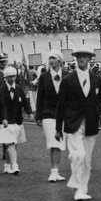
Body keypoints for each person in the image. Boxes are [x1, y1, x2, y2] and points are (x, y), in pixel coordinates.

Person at [55, 48, 101, 201]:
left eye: (85, 57)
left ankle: (82, 189)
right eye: (79, 56)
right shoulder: (67, 80)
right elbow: (60, 105)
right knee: (78, 155)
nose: (82, 59)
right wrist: (58, 129)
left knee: (86, 160)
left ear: (90, 59)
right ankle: (78, 187)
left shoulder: (97, 79)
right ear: (75, 59)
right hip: (73, 123)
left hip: (91, 123)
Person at [35, 50, 67, 182]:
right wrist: (38, 115)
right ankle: (53, 171)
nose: (51, 61)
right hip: (48, 114)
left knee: (59, 144)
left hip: (64, 115)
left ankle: (56, 171)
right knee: (54, 141)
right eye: (50, 58)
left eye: (54, 58)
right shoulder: (44, 77)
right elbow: (40, 97)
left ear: (59, 61)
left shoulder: (68, 76)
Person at [0, 65, 30, 175]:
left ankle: (7, 165)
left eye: (14, 76)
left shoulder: (18, 89)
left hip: (17, 120)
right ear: (5, 78)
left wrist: (30, 112)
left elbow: (25, 102)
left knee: (12, 143)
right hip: (6, 121)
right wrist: (4, 118)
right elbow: (2, 107)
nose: (12, 79)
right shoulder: (1, 90)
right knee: (10, 142)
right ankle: (15, 165)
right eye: (10, 77)